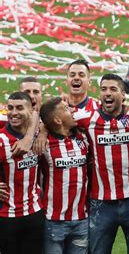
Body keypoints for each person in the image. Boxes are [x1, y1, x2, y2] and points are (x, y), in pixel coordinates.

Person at [73, 74, 129, 254]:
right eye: (104, 89)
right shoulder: (86, 118)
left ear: (123, 94)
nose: (107, 93)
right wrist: (42, 132)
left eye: (113, 89)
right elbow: (53, 119)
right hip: (101, 203)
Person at [39, 97, 89, 254]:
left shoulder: (84, 137)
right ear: (58, 120)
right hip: (53, 221)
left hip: (81, 219)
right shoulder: (43, 144)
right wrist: (42, 131)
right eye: (66, 108)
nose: (72, 110)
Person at [0, 92, 43, 254]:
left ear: (31, 111)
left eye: (19, 108)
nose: (14, 112)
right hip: (6, 217)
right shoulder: (2, 140)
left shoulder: (40, 135)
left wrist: (39, 132)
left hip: (35, 213)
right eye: (10, 108)